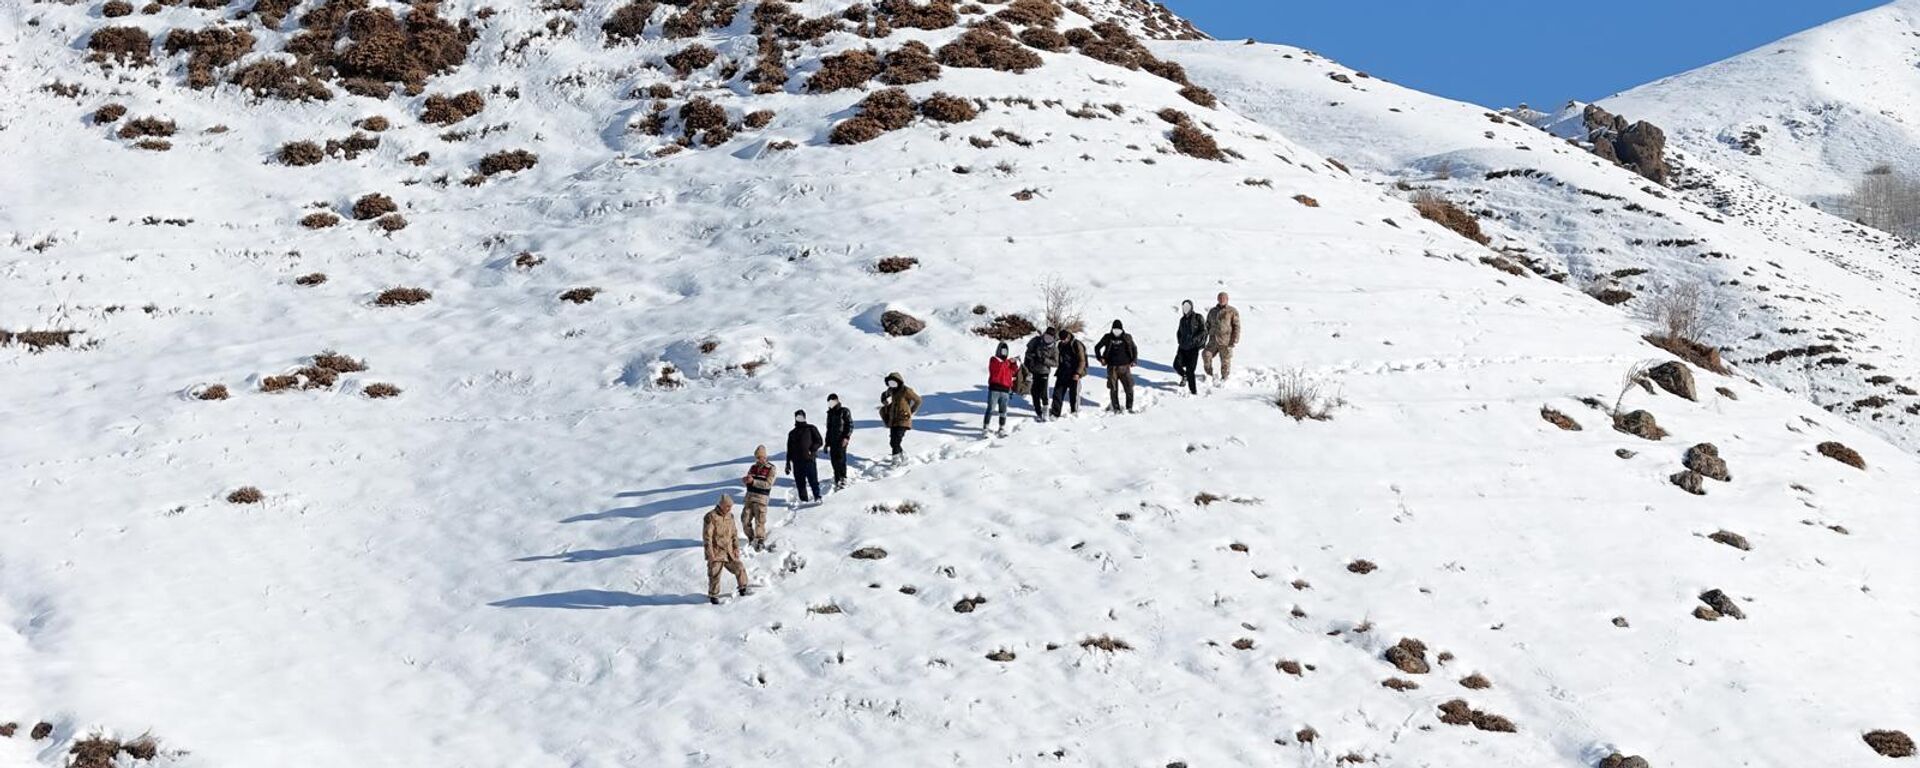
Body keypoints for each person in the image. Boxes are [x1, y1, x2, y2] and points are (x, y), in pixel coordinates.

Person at [702, 495, 751, 605]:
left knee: (739, 568)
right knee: (715, 575)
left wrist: (736, 548)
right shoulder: (711, 517)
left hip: (729, 551)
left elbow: (734, 534)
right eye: (728, 506)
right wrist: (710, 554)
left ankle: (743, 587)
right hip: (716, 552)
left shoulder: (730, 516)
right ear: (721, 505)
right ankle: (713, 596)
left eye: (731, 506)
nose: (729, 508)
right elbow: (707, 538)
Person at [1094, 319, 1139, 412]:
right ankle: (1116, 408)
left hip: (1125, 367)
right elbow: (1097, 347)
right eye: (1115, 330)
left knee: (1129, 387)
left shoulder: (1127, 337)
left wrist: (1134, 360)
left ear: (1122, 329)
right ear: (1112, 329)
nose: (1116, 332)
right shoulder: (1107, 337)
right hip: (1112, 368)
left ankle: (1129, 407)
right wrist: (1100, 358)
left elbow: (1134, 348)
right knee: (1113, 389)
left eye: (1118, 330)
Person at [741, 445, 776, 550]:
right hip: (749, 497)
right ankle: (750, 538)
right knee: (745, 519)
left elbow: (768, 484)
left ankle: (760, 540)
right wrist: (746, 481)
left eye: (760, 457)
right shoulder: (753, 467)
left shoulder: (771, 468)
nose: (758, 460)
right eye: (756, 457)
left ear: (764, 457)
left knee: (760, 521)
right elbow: (749, 480)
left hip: (761, 498)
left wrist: (754, 482)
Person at [878, 372, 922, 458]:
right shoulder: (891, 390)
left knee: (896, 441)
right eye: (890, 383)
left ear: (899, 381)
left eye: (893, 382)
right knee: (892, 442)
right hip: (893, 420)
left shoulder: (906, 390)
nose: (891, 384)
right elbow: (884, 395)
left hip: (903, 419)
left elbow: (918, 400)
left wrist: (910, 411)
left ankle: (895, 461)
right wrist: (884, 401)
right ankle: (902, 455)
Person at [785, 409, 824, 504]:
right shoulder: (792, 433)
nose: (799, 418)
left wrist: (812, 449)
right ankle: (803, 501)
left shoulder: (811, 428)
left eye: (801, 416)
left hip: (809, 460)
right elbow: (789, 449)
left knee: (813, 481)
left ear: (805, 417)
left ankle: (817, 497)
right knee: (800, 483)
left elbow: (819, 441)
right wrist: (788, 464)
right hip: (797, 462)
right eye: (798, 416)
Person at [1203, 291, 1242, 382]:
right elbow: (1207, 324)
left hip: (1226, 340)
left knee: (1225, 360)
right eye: (1220, 298)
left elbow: (1237, 326)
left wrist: (1235, 339)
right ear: (1217, 299)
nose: (1221, 300)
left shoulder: (1232, 311)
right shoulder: (1212, 311)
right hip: (1213, 340)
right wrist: (1203, 336)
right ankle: (1209, 376)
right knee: (1206, 354)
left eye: (1223, 298)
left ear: (1227, 300)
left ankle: (1224, 378)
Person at [1050, 328, 1088, 418]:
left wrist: (1078, 373)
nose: (1063, 341)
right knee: (1057, 393)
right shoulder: (1060, 345)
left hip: (1074, 373)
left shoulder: (1076, 344)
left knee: (1073, 394)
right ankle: (1055, 413)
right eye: (1061, 340)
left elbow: (1082, 361)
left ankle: (1074, 412)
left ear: (1068, 336)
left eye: (1065, 339)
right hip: (1062, 372)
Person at [1022, 328, 1059, 421]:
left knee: (1043, 392)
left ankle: (1045, 410)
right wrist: (1032, 356)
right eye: (1046, 336)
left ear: (1053, 338)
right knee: (1034, 392)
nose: (1047, 339)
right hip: (1033, 370)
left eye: (1050, 338)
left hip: (1044, 372)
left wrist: (1044, 360)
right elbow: (1027, 353)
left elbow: (1056, 363)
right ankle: (1038, 411)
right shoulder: (1036, 341)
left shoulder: (1054, 349)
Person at [984, 341, 1018, 435]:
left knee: (1003, 410)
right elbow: (998, 369)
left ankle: (1001, 428)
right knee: (990, 408)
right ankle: (986, 427)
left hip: (1005, 390)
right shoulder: (994, 360)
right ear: (999, 351)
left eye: (1006, 351)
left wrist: (1014, 363)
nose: (1004, 353)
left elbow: (1014, 372)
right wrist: (1008, 362)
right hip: (994, 389)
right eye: (1002, 351)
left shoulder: (1007, 363)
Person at [1174, 300, 1206, 394]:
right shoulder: (1182, 320)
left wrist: (1195, 340)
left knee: (1190, 370)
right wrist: (1180, 341)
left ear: (1191, 307)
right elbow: (1179, 332)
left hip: (1193, 348)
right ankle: (1184, 376)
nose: (1185, 308)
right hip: (1182, 347)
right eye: (1184, 306)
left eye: (1187, 306)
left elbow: (1203, 331)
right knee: (1176, 365)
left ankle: (1193, 391)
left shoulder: (1198, 317)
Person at [824, 394, 852, 490]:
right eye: (829, 402)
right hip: (832, 441)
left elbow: (850, 425)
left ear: (836, 401)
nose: (830, 404)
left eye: (832, 401)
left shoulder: (844, 411)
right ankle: (837, 478)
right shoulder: (830, 414)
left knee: (841, 459)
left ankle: (843, 477)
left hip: (841, 440)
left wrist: (846, 437)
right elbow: (829, 429)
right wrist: (826, 443)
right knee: (833, 460)